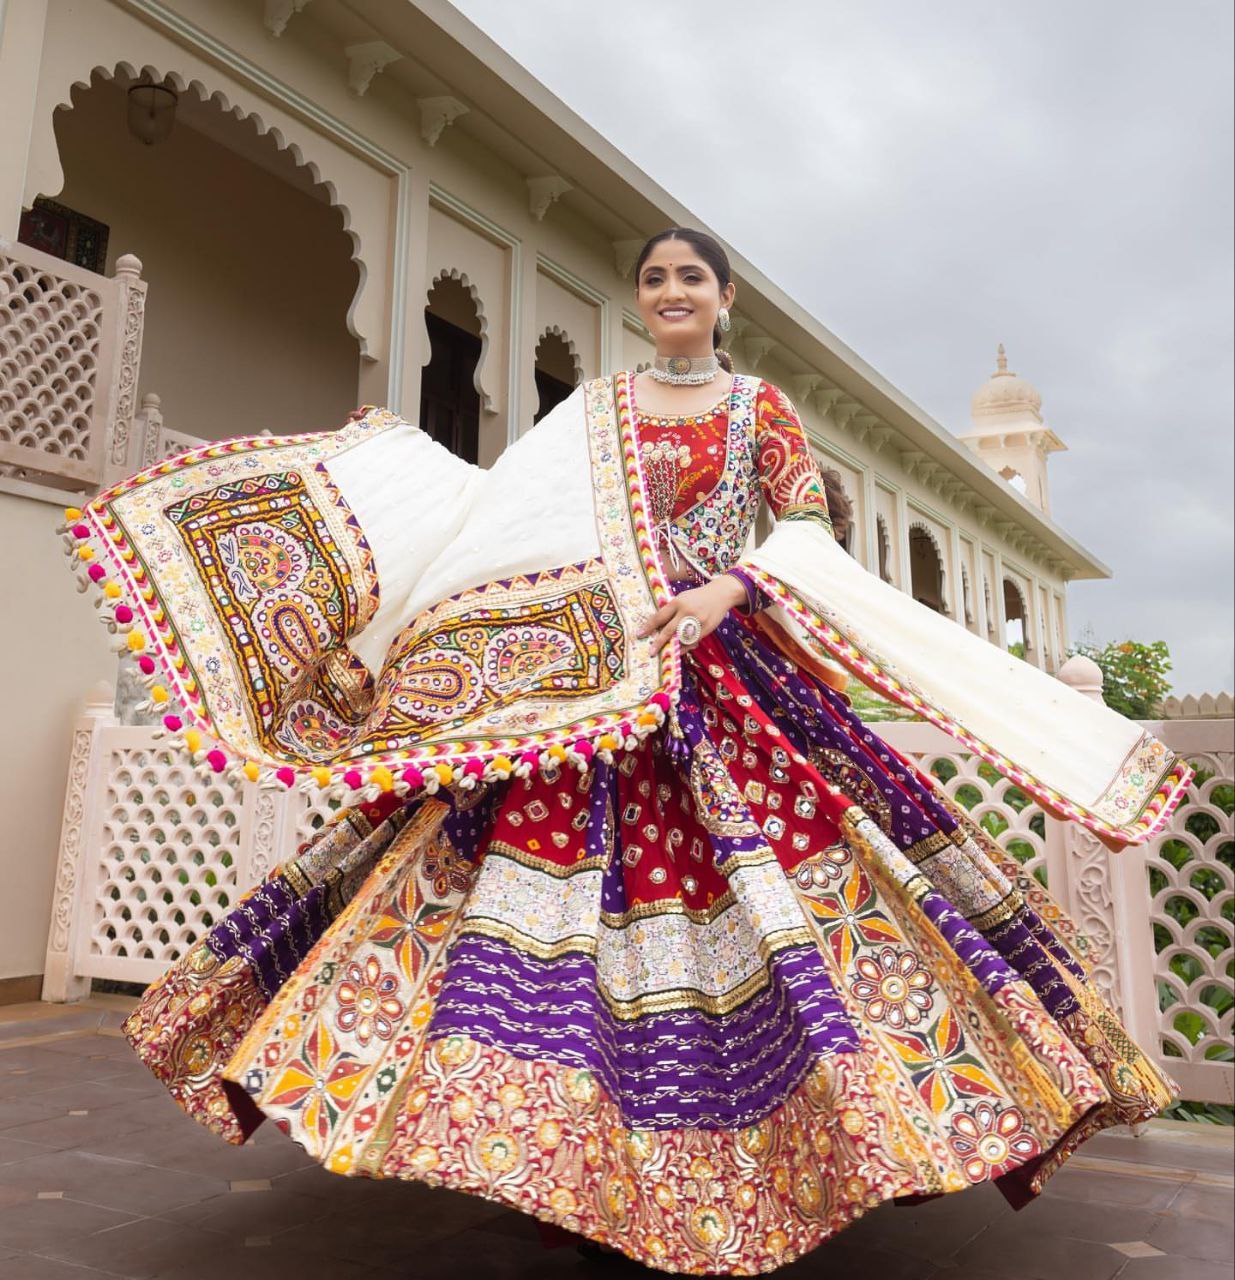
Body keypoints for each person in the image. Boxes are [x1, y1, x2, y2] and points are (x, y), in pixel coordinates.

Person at [65, 228, 1190, 1277]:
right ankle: (560, 1147)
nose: (669, 294)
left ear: (723, 299)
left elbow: (803, 528)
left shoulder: (758, 409)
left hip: (722, 671)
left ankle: (791, 1133)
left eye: (689, 279)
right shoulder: (593, 410)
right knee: (519, 898)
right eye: (653, 280)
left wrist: (724, 588)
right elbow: (507, 517)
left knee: (782, 886)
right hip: (579, 684)